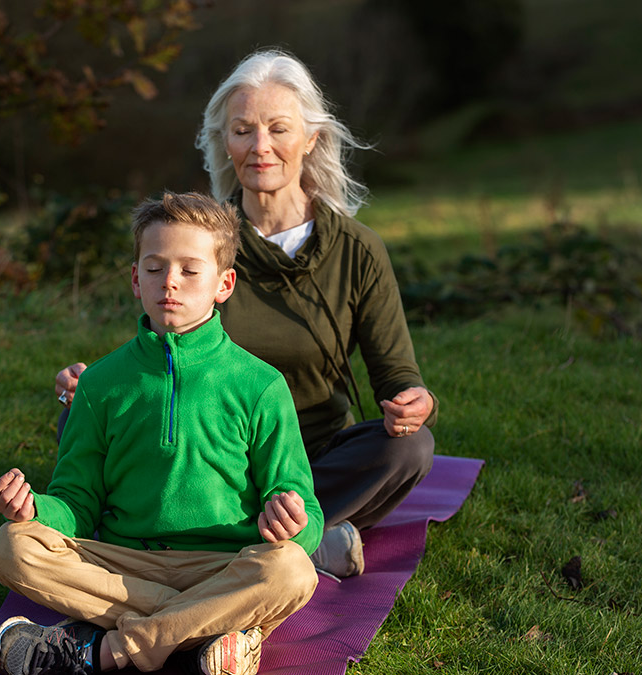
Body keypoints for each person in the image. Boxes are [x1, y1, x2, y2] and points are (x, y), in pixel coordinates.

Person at [55, 49, 436, 579]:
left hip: (318, 452)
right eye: (242, 131)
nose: (260, 147)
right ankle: (278, 541)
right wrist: (93, 382)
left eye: (278, 128)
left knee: (411, 448)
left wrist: (414, 403)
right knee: (80, 412)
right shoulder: (204, 245)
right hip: (214, 452)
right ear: (224, 143)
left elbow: (397, 376)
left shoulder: (359, 250)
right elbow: (165, 347)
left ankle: (288, 528)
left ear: (311, 139)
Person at [0, 191, 322, 675]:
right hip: (123, 567)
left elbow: (306, 514)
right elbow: (76, 503)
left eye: (190, 270)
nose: (170, 283)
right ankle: (209, 630)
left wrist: (291, 523)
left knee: (290, 569)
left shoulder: (261, 385)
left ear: (223, 284)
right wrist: (35, 508)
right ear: (134, 279)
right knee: (10, 546)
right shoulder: (101, 383)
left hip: (225, 566)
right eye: (154, 268)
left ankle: (100, 652)